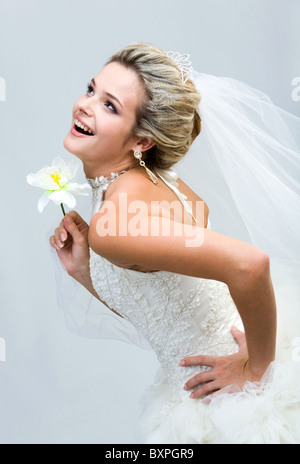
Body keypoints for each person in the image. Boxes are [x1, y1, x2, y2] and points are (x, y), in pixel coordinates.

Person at [50, 43, 300, 444]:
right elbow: (164, 304)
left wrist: (257, 370)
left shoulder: (114, 225)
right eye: (91, 89)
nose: (85, 105)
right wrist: (85, 272)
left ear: (142, 141)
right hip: (218, 368)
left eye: (110, 106)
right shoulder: (154, 179)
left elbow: (250, 264)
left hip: (227, 404)